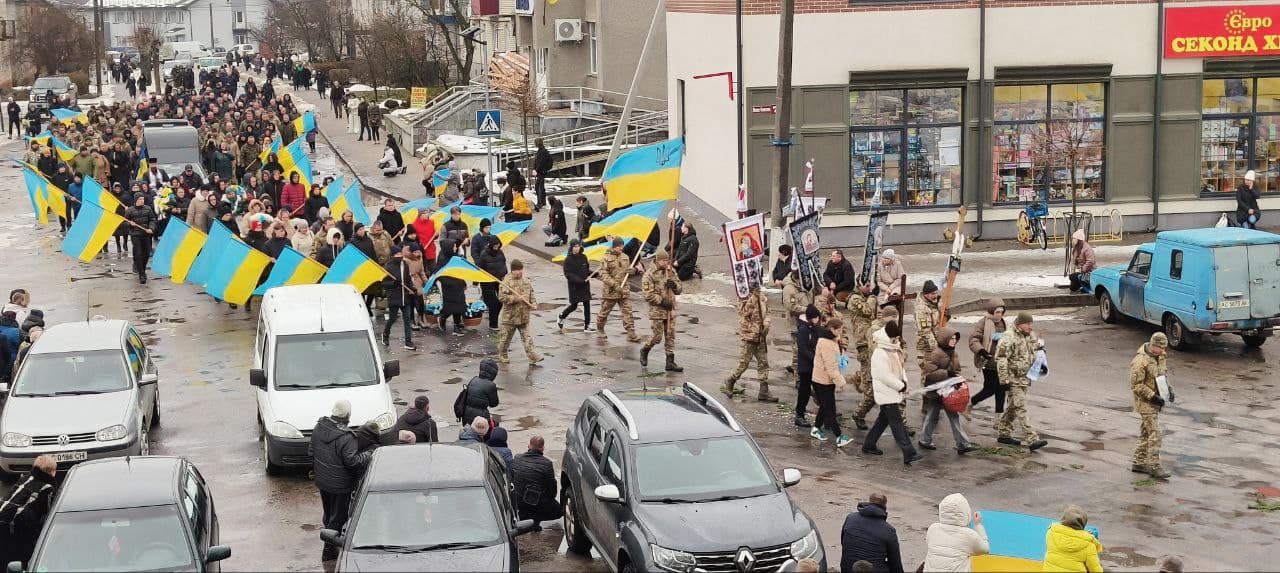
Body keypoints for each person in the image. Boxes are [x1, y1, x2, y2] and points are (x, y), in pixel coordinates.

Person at [310, 399, 373, 562]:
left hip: (323, 482)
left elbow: (311, 451)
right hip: (341, 486)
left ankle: (329, 539)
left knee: (329, 514)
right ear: (348, 415)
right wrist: (369, 454)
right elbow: (353, 462)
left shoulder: (318, 427)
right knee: (338, 518)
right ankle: (328, 552)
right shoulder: (347, 437)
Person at [862, 321, 923, 465]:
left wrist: (904, 383)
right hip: (886, 392)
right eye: (894, 338)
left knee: (883, 420)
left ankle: (869, 445)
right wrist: (901, 386)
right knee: (897, 424)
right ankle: (909, 453)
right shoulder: (880, 353)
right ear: (888, 337)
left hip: (892, 391)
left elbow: (900, 369)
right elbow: (884, 376)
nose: (896, 340)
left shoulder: (892, 349)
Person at [994, 312, 1049, 451]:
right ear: (1020, 324)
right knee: (1021, 407)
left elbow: (1034, 349)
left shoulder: (1030, 335)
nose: (1031, 327)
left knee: (1013, 406)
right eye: (1028, 324)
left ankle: (1003, 433)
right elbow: (1001, 359)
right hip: (1013, 378)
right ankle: (1032, 439)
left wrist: (1041, 353)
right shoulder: (1008, 337)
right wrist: (1004, 379)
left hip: (1025, 377)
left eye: (1031, 324)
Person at [918, 327, 976, 454]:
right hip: (937, 391)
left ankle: (962, 444)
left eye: (955, 338)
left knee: (950, 417)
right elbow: (929, 373)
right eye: (951, 339)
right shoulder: (936, 353)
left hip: (949, 391)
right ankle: (926, 440)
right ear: (944, 339)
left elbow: (957, 370)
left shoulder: (954, 353)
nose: (954, 341)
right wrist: (947, 374)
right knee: (933, 417)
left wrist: (957, 380)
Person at [0, 455, 58, 569]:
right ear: (52, 472)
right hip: (19, 526)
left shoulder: (25, 478)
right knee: (21, 556)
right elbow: (48, 514)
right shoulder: (47, 488)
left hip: (3, 517)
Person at [725, 283, 776, 400]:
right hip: (749, 337)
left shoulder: (762, 298)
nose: (757, 287)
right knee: (744, 363)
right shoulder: (745, 299)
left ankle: (764, 391)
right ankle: (731, 380)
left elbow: (768, 313)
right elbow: (743, 318)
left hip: (761, 337)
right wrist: (754, 330)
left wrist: (766, 325)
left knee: (763, 363)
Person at [1131, 332, 1171, 479]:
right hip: (1145, 402)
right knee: (1155, 434)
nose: (1163, 351)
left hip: (1155, 401)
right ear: (1154, 345)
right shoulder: (1140, 361)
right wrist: (1153, 396)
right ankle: (1155, 467)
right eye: (1161, 348)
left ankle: (1139, 462)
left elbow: (1161, 375)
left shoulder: (1160, 356)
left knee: (1146, 433)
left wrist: (1169, 390)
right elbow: (1136, 386)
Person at [810, 317, 853, 446]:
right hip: (822, 381)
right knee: (830, 409)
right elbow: (830, 366)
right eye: (838, 330)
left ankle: (816, 429)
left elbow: (837, 359)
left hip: (826, 380)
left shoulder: (833, 339)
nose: (840, 333)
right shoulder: (826, 343)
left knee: (824, 406)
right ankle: (839, 436)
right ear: (831, 329)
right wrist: (841, 381)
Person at [923, 493, 989, 573]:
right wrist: (978, 525)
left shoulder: (933, 528)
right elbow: (985, 549)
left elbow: (930, 545)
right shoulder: (969, 535)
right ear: (966, 512)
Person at [639, 251, 683, 372]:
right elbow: (647, 294)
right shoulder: (649, 275)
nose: (666, 263)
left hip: (670, 310)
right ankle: (645, 350)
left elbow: (679, 288)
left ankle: (670, 362)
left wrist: (674, 286)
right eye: (664, 261)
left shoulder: (671, 271)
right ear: (658, 260)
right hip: (657, 311)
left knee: (670, 336)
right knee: (657, 337)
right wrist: (662, 301)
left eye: (667, 260)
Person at [839, 493, 905, 573]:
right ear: (885, 506)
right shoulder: (889, 530)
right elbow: (895, 563)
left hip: (847, 568)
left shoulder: (850, 518)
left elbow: (843, 542)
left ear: (869, 502)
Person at [596, 238, 642, 342]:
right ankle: (600, 329)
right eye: (619, 246)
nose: (621, 248)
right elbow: (603, 275)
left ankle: (631, 333)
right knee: (604, 312)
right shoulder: (606, 258)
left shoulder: (625, 257)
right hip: (611, 291)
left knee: (628, 312)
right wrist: (614, 285)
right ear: (614, 246)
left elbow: (627, 271)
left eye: (622, 246)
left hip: (623, 290)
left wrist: (633, 271)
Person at [497, 260, 543, 364]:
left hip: (523, 316)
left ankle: (532, 356)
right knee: (505, 339)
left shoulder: (526, 281)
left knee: (527, 338)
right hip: (510, 317)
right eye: (517, 270)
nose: (520, 272)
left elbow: (531, 294)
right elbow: (501, 297)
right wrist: (515, 298)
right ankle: (502, 354)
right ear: (513, 270)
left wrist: (534, 304)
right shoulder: (506, 282)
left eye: (521, 269)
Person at [510, 435, 563, 525]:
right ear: (542, 448)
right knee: (559, 511)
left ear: (529, 446)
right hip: (537, 502)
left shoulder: (517, 458)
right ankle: (535, 521)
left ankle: (527, 518)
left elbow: (512, 478)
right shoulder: (547, 463)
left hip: (519, 501)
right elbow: (552, 490)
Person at [967, 299, 1008, 413]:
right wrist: (981, 351)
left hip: (1001, 362)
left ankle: (998, 417)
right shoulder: (984, 322)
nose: (999, 315)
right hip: (988, 361)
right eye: (997, 312)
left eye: (1001, 312)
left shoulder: (1004, 323)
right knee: (990, 389)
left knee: (1001, 389)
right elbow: (974, 339)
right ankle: (970, 402)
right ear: (991, 311)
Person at [1042, 505, 1103, 573]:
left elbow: (1069, 534)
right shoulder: (1089, 545)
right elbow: (1095, 569)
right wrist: (1088, 536)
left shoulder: (1051, 533)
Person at [381, 246, 417, 350]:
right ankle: (385, 334)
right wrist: (393, 283)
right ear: (393, 255)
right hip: (394, 297)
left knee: (407, 319)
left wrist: (412, 288)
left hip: (405, 297)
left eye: (400, 254)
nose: (399, 256)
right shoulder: (388, 267)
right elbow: (384, 283)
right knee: (392, 318)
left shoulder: (404, 264)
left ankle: (408, 342)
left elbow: (408, 279)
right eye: (397, 254)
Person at [793, 305, 821, 429]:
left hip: (813, 366)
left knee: (819, 390)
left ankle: (826, 415)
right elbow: (803, 349)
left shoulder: (813, 328)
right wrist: (815, 359)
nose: (818, 320)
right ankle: (799, 415)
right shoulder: (804, 329)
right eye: (816, 317)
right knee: (804, 391)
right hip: (806, 367)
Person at [558, 240, 592, 331]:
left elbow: (586, 270)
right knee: (574, 305)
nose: (577, 248)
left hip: (585, 285)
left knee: (587, 304)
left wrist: (594, 274)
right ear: (571, 248)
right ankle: (562, 316)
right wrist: (579, 281)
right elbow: (568, 274)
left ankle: (587, 325)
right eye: (575, 246)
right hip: (575, 286)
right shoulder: (568, 260)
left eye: (578, 246)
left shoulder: (584, 257)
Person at [125, 193, 157, 283]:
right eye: (140, 199)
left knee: (146, 253)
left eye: (142, 199)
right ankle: (142, 274)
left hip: (146, 234)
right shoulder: (130, 210)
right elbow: (124, 222)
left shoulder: (148, 208)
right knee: (138, 253)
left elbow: (152, 220)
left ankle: (142, 269)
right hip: (135, 235)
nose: (142, 201)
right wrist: (129, 224)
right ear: (136, 200)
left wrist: (151, 228)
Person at [476, 240, 508, 330]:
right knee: (493, 303)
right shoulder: (484, 254)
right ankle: (493, 324)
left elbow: (504, 263)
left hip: (499, 281)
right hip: (487, 282)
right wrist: (475, 282)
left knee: (501, 301)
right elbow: (479, 268)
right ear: (491, 245)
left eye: (498, 246)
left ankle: (493, 319)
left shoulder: (500, 252)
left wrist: (505, 274)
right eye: (495, 246)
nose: (496, 248)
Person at [460, 359, 501, 426]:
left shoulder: (473, 379)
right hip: (481, 419)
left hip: (466, 417)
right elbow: (494, 404)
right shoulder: (491, 385)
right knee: (495, 425)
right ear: (493, 373)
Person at [1069, 229, 1097, 293]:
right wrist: (1076, 267)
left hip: (1090, 273)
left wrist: (1082, 269)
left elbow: (1090, 261)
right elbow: (1075, 259)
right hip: (1080, 271)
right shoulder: (1076, 248)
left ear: (1079, 239)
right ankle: (1077, 289)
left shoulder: (1087, 248)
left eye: (1074, 238)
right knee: (1072, 277)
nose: (1073, 240)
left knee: (1073, 277)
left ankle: (1080, 289)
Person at [533, 137, 553, 210]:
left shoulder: (542, 152)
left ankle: (540, 203)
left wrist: (536, 170)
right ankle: (542, 202)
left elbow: (541, 162)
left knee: (538, 188)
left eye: (535, 143)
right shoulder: (542, 150)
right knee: (540, 187)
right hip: (541, 171)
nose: (534, 144)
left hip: (541, 172)